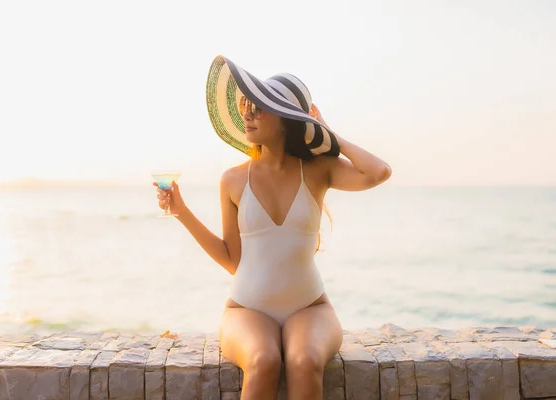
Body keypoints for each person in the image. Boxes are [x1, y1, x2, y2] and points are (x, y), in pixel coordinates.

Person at [153, 56, 392, 400]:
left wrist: (328, 132)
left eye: (259, 108)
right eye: (246, 106)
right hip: (246, 310)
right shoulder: (233, 179)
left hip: (310, 308)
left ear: (285, 120)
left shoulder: (319, 169)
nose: (247, 115)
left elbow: (378, 172)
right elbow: (233, 258)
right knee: (264, 361)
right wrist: (181, 211)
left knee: (304, 359)